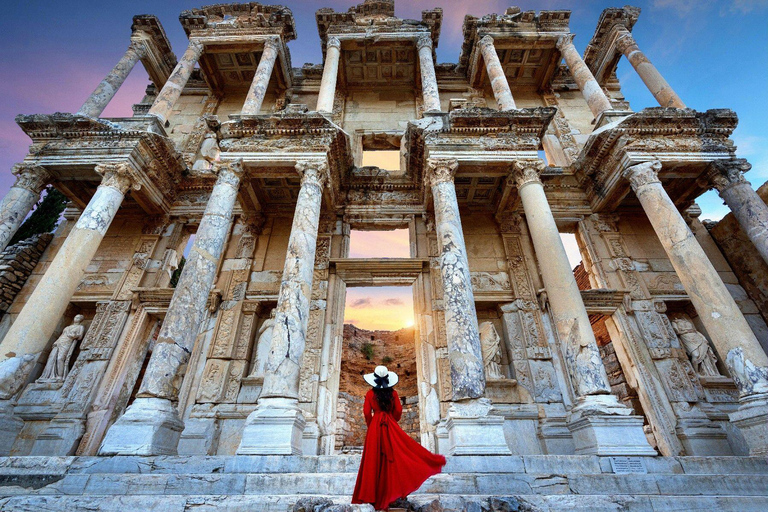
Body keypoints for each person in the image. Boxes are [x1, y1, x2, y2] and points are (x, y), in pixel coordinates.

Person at [352, 365, 446, 511]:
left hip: (375, 427)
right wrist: (392, 421)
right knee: (396, 457)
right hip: (389, 425)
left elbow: (366, 412)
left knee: (373, 460)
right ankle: (392, 493)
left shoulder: (370, 394)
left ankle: (371, 496)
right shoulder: (394, 393)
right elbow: (398, 411)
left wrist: (372, 425)